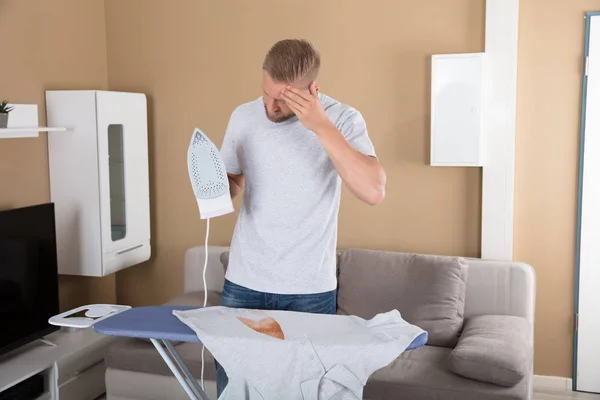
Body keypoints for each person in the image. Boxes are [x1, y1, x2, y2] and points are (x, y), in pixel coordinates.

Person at [215, 38, 386, 397]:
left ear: (312, 90)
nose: (270, 106)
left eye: (283, 99)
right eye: (267, 93)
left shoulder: (342, 119)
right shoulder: (242, 116)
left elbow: (373, 191)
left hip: (308, 292)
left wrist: (320, 126)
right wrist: (214, 183)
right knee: (234, 392)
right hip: (243, 285)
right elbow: (233, 183)